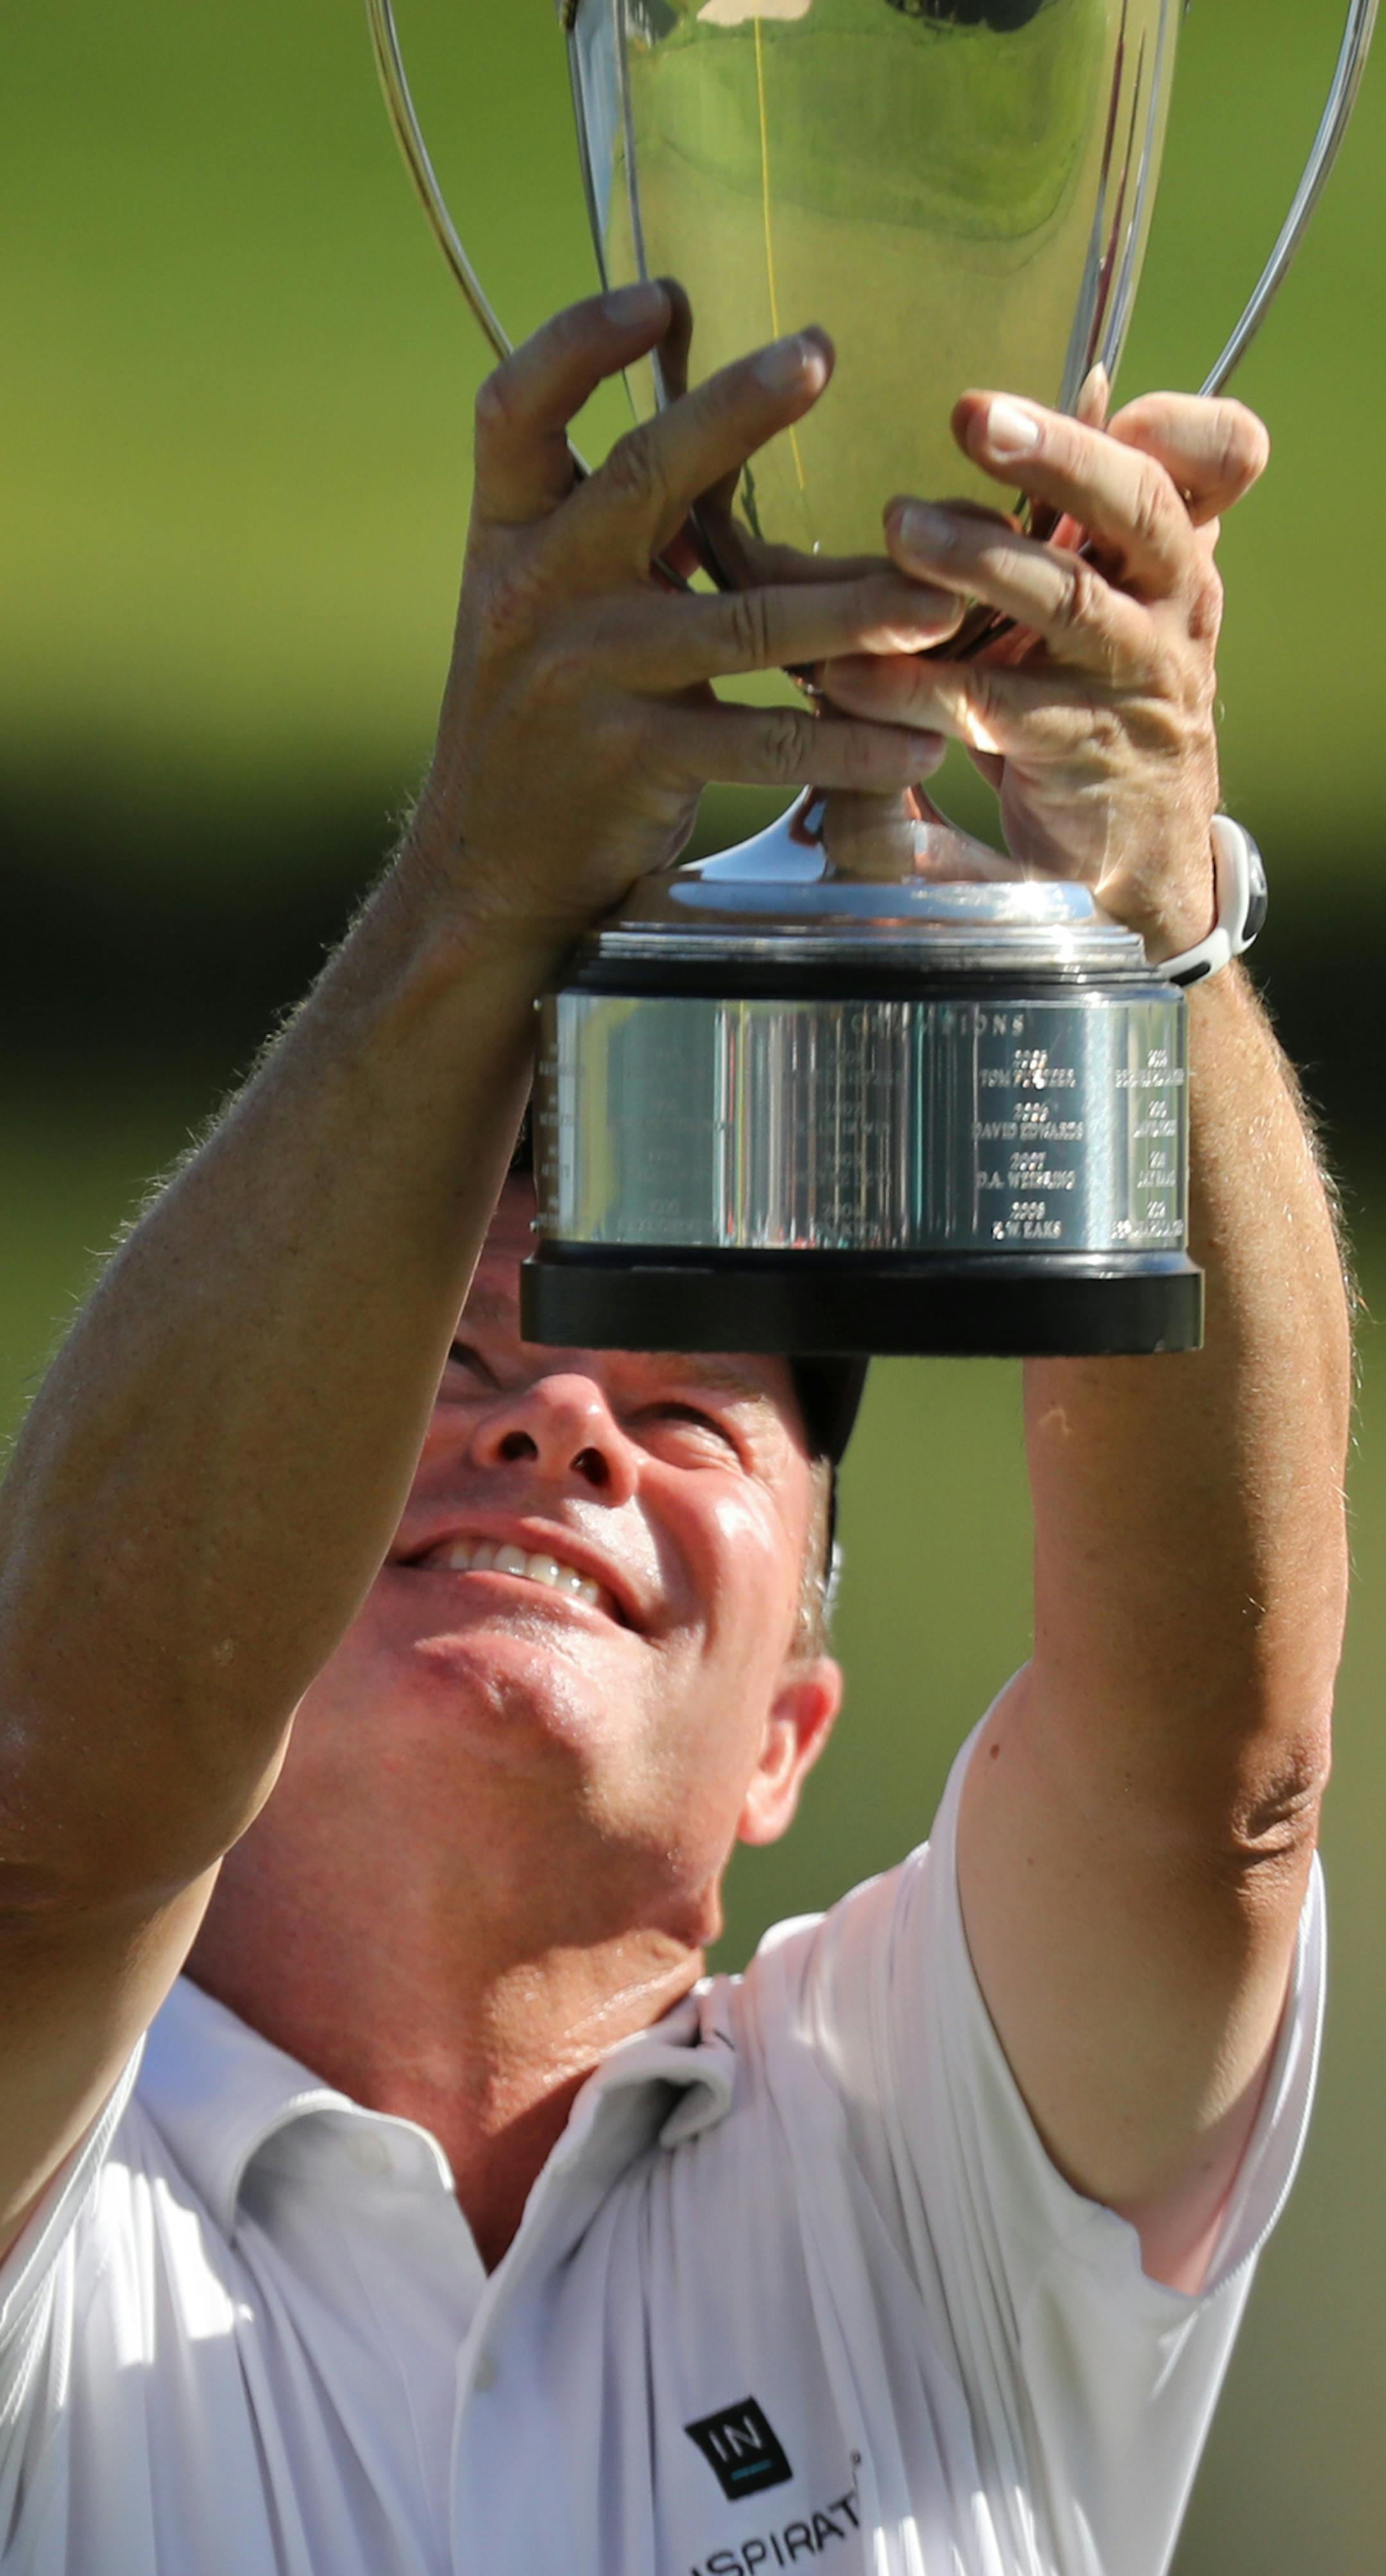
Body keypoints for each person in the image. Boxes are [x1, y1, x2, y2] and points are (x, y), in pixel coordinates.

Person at [0, 284, 1350, 2576]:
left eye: (692, 1411)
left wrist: (1158, 927)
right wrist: (468, 903)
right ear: (263, 1553)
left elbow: (1219, 1791)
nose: (562, 1430)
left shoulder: (924, 2173)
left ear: (790, 1739)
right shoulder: (62, 2184)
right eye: (455, 1369)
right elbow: (60, 1805)